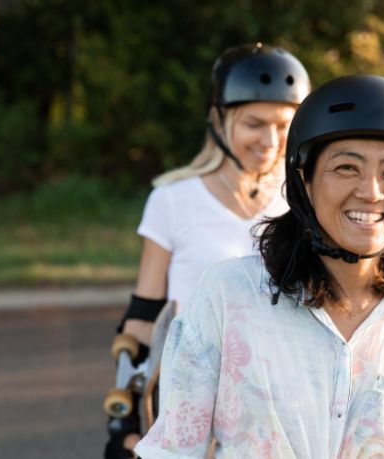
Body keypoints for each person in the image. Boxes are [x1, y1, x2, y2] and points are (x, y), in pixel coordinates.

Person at [135, 74, 384, 458]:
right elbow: (173, 451)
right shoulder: (228, 295)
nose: (371, 191)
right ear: (305, 179)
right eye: (347, 167)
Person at [104, 43, 310, 459]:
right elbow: (145, 314)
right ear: (219, 118)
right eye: (255, 123)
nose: (271, 140)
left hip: (278, 401)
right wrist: (122, 425)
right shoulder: (172, 199)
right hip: (187, 396)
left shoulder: (304, 201)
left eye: (284, 124)